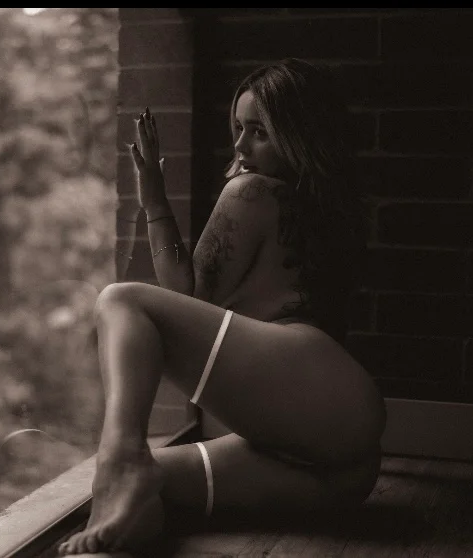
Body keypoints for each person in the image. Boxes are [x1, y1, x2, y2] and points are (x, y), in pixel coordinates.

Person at [57, 58, 387, 557]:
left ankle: (119, 456)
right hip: (342, 468)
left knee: (119, 300)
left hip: (315, 406)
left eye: (259, 132)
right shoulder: (324, 206)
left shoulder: (249, 192)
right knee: (152, 483)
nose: (240, 146)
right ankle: (129, 506)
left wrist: (154, 203)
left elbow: (187, 298)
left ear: (298, 136)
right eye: (238, 128)